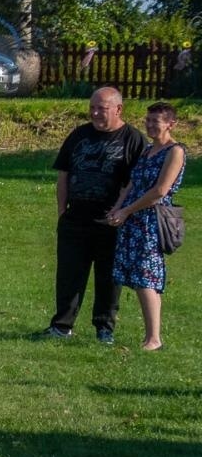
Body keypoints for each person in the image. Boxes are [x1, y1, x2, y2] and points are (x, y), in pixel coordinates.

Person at [44, 86, 145, 343]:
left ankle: (104, 329)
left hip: (112, 221)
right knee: (69, 275)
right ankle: (61, 326)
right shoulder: (79, 135)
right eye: (93, 108)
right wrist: (61, 211)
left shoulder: (133, 139)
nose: (96, 113)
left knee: (108, 278)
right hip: (76, 218)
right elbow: (64, 174)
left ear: (119, 109)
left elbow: (137, 182)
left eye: (102, 108)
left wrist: (123, 212)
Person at [108, 102, 186, 351]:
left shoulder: (175, 151)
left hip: (151, 220)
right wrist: (118, 207)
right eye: (148, 120)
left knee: (147, 276)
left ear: (171, 124)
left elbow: (160, 191)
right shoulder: (148, 150)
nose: (150, 125)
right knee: (136, 275)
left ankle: (154, 338)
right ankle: (150, 337)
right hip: (132, 218)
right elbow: (132, 184)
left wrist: (126, 210)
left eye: (157, 121)